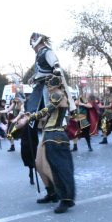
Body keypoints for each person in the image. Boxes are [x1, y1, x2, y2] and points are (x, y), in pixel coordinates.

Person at [16, 74, 76, 214]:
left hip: (55, 134)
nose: (47, 88)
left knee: (56, 167)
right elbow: (47, 114)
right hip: (49, 133)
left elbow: (46, 110)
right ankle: (52, 193)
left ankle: (65, 198)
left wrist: (30, 117)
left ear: (55, 84)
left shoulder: (57, 94)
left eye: (49, 85)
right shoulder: (55, 95)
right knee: (39, 164)